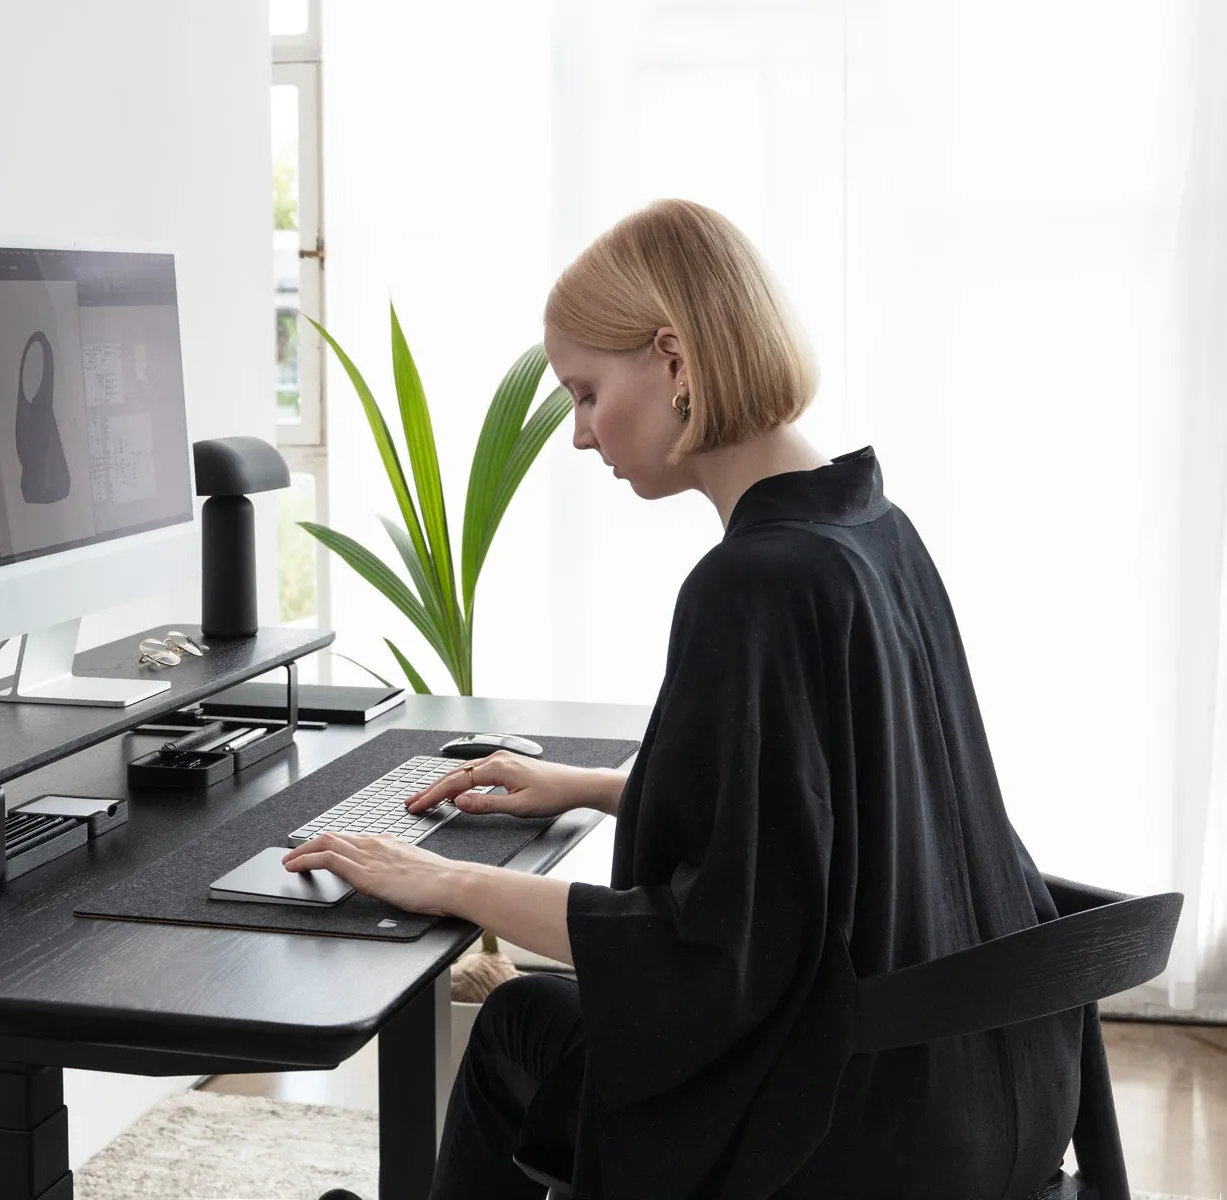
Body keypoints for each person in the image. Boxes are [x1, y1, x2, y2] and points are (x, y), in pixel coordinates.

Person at [285, 199, 1081, 1199]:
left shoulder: (753, 584)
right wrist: (593, 786)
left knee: (516, 1021)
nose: (579, 434)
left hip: (841, 1137)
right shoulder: (872, 528)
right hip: (986, 1099)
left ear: (673, 360)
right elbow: (828, 812)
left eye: (585, 392)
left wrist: (446, 884)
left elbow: (712, 949)